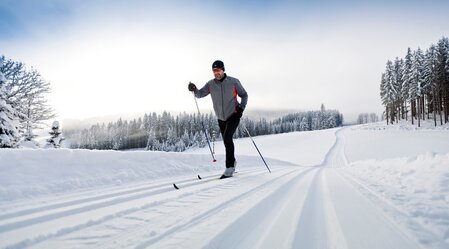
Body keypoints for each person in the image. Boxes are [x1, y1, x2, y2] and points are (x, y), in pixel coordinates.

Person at [188, 60, 248, 178]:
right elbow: (200, 94)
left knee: (227, 137)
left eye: (218, 70)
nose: (216, 73)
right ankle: (233, 161)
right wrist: (194, 89)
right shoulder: (210, 84)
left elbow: (244, 95)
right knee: (227, 141)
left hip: (234, 114)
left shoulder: (233, 82)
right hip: (221, 118)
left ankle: (229, 167)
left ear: (223, 70)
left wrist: (241, 109)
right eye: (214, 71)